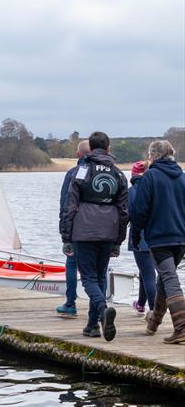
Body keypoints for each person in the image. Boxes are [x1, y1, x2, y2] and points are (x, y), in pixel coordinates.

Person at [61, 131, 128, 341]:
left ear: (91, 148)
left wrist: (66, 236)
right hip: (108, 231)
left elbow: (70, 205)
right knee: (100, 277)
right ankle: (93, 325)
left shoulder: (82, 170)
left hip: (85, 230)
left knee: (89, 278)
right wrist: (118, 240)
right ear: (108, 149)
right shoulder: (118, 174)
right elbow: (125, 211)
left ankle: (102, 310)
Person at [130, 140, 185, 344]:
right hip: (180, 239)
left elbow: (140, 210)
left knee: (169, 278)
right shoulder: (182, 177)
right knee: (164, 278)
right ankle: (153, 323)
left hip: (160, 238)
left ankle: (181, 327)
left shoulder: (150, 177)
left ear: (153, 156)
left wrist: (136, 235)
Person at [56, 140, 91, 318]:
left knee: (71, 264)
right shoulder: (106, 172)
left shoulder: (72, 173)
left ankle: (71, 303)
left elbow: (65, 204)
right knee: (98, 268)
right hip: (100, 230)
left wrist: (65, 234)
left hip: (76, 228)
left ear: (78, 155)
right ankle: (99, 305)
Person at [128, 160, 156, 316]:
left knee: (149, 274)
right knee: (145, 270)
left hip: (140, 237)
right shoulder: (156, 188)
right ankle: (140, 304)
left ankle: (154, 311)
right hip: (158, 236)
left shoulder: (132, 191)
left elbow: (128, 215)